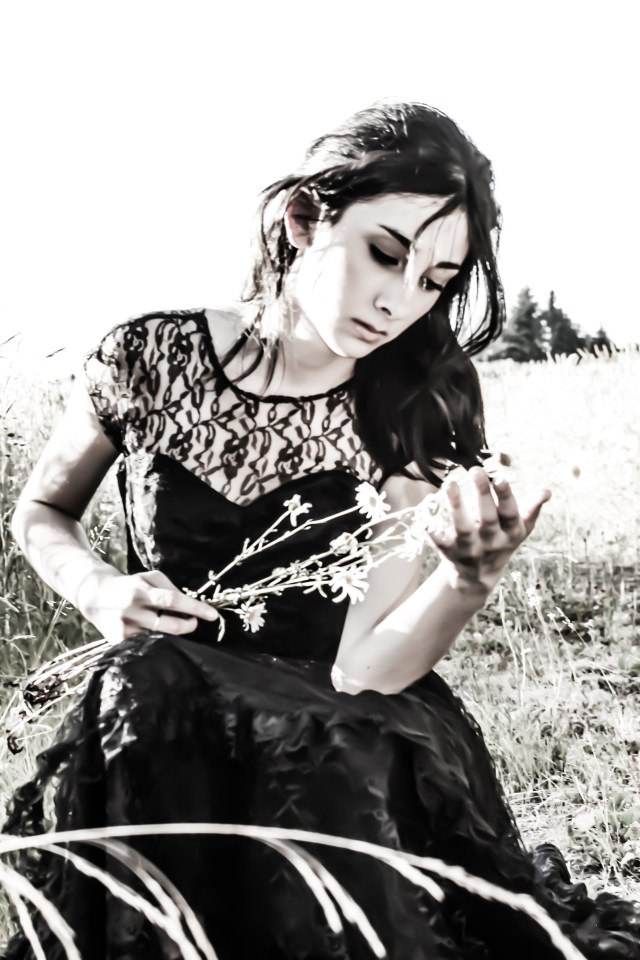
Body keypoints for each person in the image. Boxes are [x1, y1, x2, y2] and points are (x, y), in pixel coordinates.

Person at [3, 101, 639, 959]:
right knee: (139, 682)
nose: (401, 301)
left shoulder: (418, 399)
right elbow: (41, 512)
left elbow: (365, 668)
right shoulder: (146, 358)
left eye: (435, 281)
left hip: (341, 720)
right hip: (171, 697)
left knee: (320, 754)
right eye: (386, 254)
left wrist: (465, 581)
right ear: (305, 218)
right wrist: (99, 586)